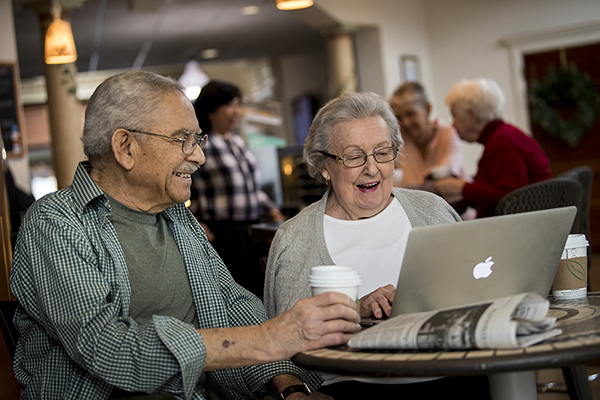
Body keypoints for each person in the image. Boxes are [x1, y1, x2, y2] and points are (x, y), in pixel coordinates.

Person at [9, 71, 360, 400]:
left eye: (198, 140)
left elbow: (235, 308)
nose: (200, 156)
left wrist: (290, 387)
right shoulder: (56, 223)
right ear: (125, 147)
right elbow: (108, 349)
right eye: (182, 140)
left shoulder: (178, 217)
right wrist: (271, 337)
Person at [263, 92, 489, 398]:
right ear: (324, 166)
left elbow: (475, 288)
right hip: (352, 386)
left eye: (383, 152)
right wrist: (356, 310)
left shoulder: (433, 211)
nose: (372, 168)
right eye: (354, 157)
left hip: (452, 373)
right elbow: (278, 343)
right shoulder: (295, 238)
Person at [190, 80, 284, 299]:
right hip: (223, 233)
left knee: (260, 287)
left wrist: (272, 210)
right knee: (237, 290)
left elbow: (251, 186)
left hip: (251, 229)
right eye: (230, 105)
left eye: (237, 105)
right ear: (212, 110)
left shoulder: (238, 141)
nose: (236, 111)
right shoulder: (203, 145)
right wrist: (197, 222)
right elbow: (186, 187)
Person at [435, 78, 552, 218]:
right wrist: (458, 187)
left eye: (454, 115)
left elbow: (512, 200)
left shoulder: (502, 143)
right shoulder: (506, 135)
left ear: (472, 115)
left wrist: (464, 188)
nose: (452, 125)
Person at [389, 82, 469, 189]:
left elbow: (443, 181)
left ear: (427, 109)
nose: (405, 123)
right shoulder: (397, 139)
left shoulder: (447, 133)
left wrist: (407, 187)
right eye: (399, 117)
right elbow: (388, 183)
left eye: (411, 114)